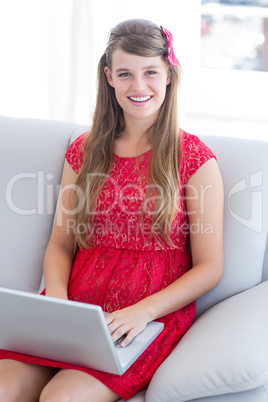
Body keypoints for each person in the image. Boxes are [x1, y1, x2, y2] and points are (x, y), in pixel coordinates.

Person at [0, 19, 224, 402]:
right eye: (125, 74)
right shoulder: (85, 151)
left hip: (144, 317)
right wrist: (55, 295)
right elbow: (60, 243)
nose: (139, 86)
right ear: (109, 77)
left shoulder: (194, 159)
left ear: (169, 75)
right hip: (75, 306)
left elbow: (209, 268)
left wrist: (142, 312)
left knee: (61, 398)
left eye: (150, 72)